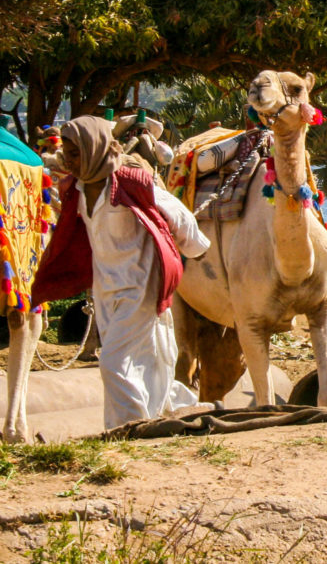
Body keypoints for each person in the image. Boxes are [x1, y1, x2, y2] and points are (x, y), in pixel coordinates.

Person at [32, 116, 211, 429]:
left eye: (75, 153)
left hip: (139, 285)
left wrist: (197, 249)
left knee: (113, 363)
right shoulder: (76, 188)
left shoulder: (130, 182)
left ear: (94, 148)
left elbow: (178, 215)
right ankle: (163, 412)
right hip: (105, 288)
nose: (70, 161)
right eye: (67, 154)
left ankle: (130, 428)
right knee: (148, 356)